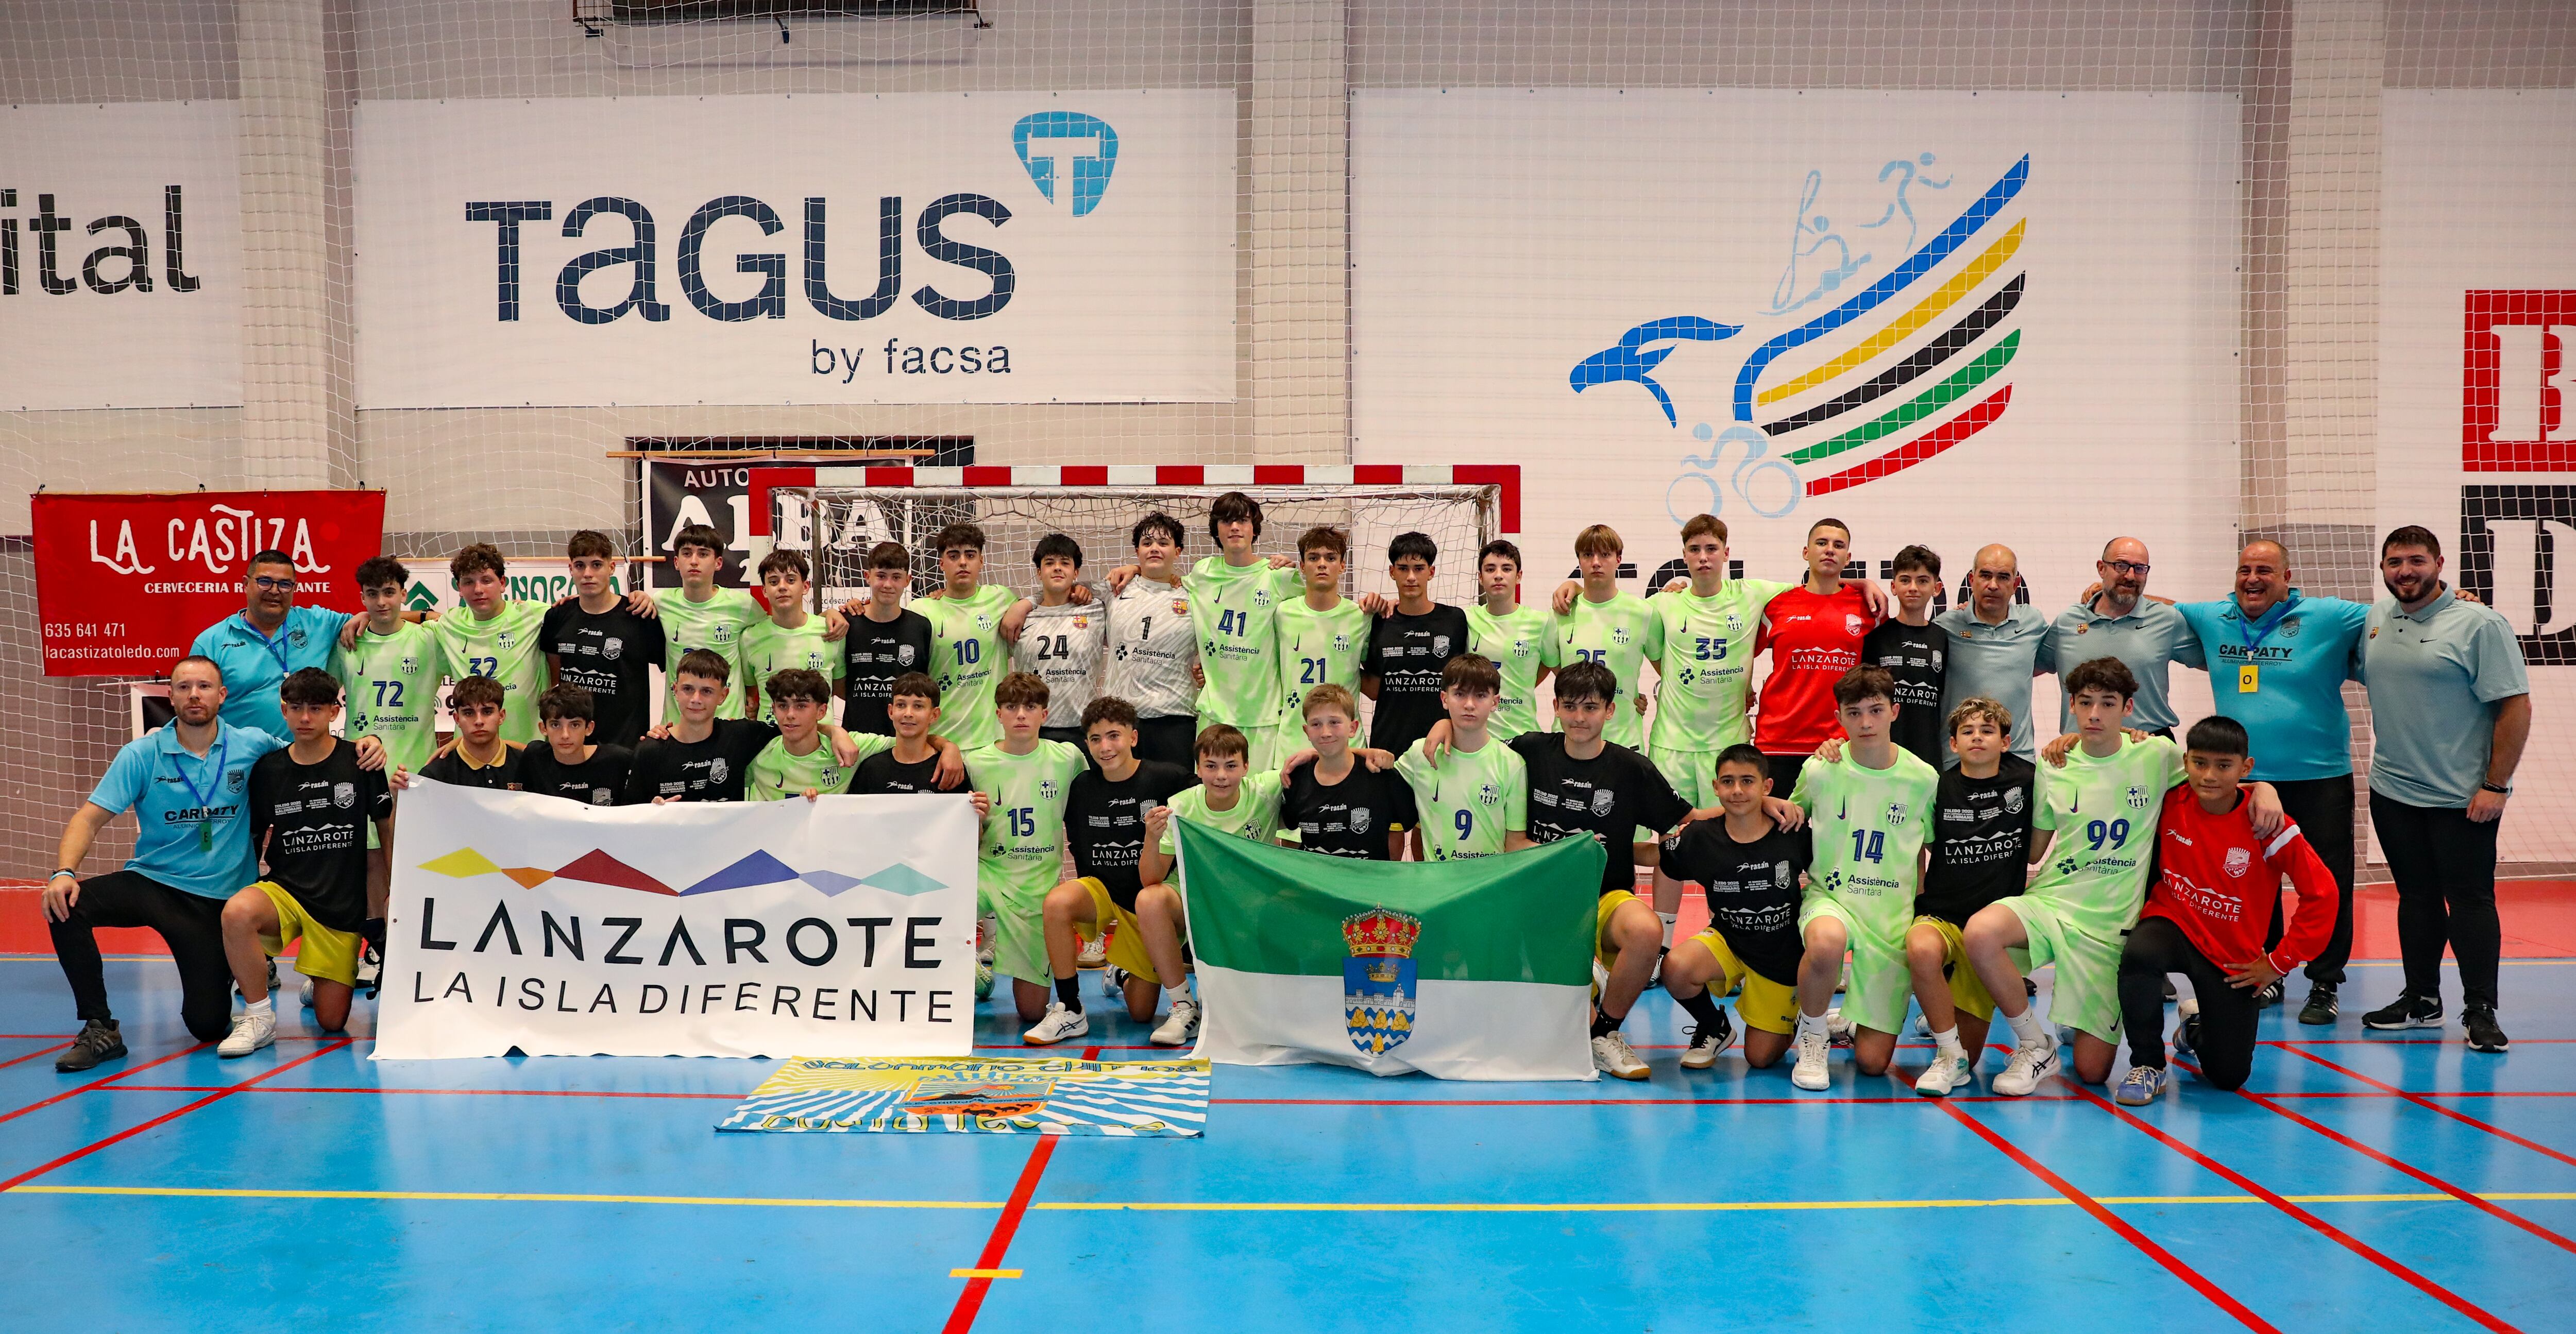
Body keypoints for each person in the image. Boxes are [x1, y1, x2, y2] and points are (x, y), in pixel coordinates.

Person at [1967, 658, 2281, 1095]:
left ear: (2128, 708)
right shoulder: (2055, 765)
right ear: (2071, 706)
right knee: (1981, 932)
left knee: (2094, 1072)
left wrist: (2264, 788)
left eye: (2108, 703)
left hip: (2108, 926)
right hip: (2054, 901)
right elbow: (2034, 851)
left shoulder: (2156, 755)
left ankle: (2127, 1024)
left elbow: (2215, 777)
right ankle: (2035, 1044)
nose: (2095, 714)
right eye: (2086, 703)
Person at [42, 658, 295, 1069]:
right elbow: (88, 818)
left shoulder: (253, 744)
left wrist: (367, 745)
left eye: (204, 686)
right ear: (171, 696)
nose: (194, 695)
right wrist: (64, 873)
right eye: (184, 687)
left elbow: (311, 758)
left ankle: (245, 960)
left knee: (208, 1025)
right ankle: (99, 1027)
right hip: (155, 883)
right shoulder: (142, 754)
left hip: (219, 903)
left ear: (222, 695)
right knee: (66, 905)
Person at [2172, 540, 2371, 1024]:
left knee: (2327, 880)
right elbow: (2165, 607)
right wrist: (2111, 587)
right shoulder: (2213, 615)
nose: (2253, 579)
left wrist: (2456, 598)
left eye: (2265, 570)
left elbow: (2399, 610)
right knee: (2254, 883)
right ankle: (2268, 973)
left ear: (2287, 577)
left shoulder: (2331, 616)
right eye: (2244, 570)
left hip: (2318, 776)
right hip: (2246, 780)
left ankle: (2325, 983)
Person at [2360, 525, 2530, 1053]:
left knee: (2470, 900)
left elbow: (2513, 707)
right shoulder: (2374, 618)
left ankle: (2479, 1009)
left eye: (2414, 560)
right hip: (2392, 791)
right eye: (2393, 562)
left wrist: (2494, 785)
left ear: (2437, 562)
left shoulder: (2478, 623)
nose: (2404, 571)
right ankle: (2420, 998)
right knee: (2415, 898)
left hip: (2462, 799)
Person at [2114, 715, 2337, 1104]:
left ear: (2245, 768)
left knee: (2228, 1077)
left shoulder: (2267, 824)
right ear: (2185, 763)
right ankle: (2149, 1064)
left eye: (2224, 766)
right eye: (2199, 763)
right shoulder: (2170, 801)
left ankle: (2197, 1028)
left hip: (2232, 958)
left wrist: (2279, 962)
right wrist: (2074, 740)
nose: (2209, 776)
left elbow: (2324, 894)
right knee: (2139, 953)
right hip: (2175, 923)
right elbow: (2115, 760)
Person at [1507, 662, 1696, 1079]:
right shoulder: (1530, 749)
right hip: (1543, 900)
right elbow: (1476, 745)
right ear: (1554, 706)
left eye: (1591, 707)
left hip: (1606, 897)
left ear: (1610, 711)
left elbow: (1689, 819)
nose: (1579, 717)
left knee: (1647, 932)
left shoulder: (1632, 769)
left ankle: (1605, 1034)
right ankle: (1586, 983)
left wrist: (1763, 807)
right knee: (1548, 1022)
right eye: (1570, 706)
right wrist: (1442, 729)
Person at [217, 668, 393, 1055]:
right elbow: (253, 838)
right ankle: (259, 1016)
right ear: (283, 710)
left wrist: (395, 888)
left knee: (332, 1022)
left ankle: (321, 977)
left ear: (335, 711)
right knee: (237, 913)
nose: (306, 718)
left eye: (316, 708)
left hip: (340, 906)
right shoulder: (268, 770)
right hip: (286, 891)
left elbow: (385, 824)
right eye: (296, 708)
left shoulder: (361, 762)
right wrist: (238, 886)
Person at [1782, 665, 1937, 1091]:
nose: (1865, 722)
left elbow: (1931, 850)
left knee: (1872, 1064)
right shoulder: (1819, 770)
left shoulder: (1923, 779)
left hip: (1890, 917)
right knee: (1826, 942)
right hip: (1831, 897)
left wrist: (1923, 911)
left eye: (1875, 710)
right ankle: (1812, 1039)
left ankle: (1849, 1015)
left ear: (1895, 712)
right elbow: (1790, 817)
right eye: (1854, 713)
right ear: (1839, 718)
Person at [1645, 515, 1793, 950]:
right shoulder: (1664, 605)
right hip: (1671, 743)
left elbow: (1818, 589)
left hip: (1726, 746)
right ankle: (1662, 947)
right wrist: (1574, 588)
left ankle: (1727, 941)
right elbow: (1615, 614)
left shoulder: (1753, 594)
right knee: (1671, 845)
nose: (1704, 557)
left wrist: (1862, 585)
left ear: (1727, 553)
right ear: (1684, 556)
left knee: (1729, 845)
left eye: (1712, 549)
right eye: (1695, 550)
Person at [1023, 697, 1195, 1046]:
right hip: (1101, 894)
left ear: (1133, 737)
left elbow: (1216, 791)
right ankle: (1070, 1009)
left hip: (1148, 904)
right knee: (1057, 902)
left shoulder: (1170, 779)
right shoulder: (1082, 788)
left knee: (1141, 1013)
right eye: (1096, 739)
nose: (1105, 747)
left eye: (1114, 736)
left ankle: (1122, 972)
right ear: (1087, 744)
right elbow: (1077, 845)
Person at [1903, 697, 2035, 1097]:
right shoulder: (1939, 787)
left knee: (1975, 1055)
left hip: (1990, 934)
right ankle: (1947, 1053)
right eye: (1968, 732)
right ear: (1954, 744)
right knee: (1920, 949)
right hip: (1943, 916)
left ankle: (1951, 1034)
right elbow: (1917, 851)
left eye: (1988, 731)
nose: (1978, 737)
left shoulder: (2029, 779)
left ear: (2006, 741)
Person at [1654, 747, 1813, 1074]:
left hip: (1780, 957)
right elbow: (1656, 858)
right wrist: (1595, 846)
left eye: (1747, 781)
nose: (1737, 790)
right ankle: (1714, 1026)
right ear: (1715, 787)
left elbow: (1828, 877)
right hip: (1728, 941)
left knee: (1760, 1058)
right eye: (1728, 782)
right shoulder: (1700, 836)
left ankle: (1798, 1013)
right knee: (1676, 967)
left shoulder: (1792, 832)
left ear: (1766, 787)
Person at [619, 651, 921, 804]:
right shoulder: (650, 749)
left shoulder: (744, 738)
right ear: (674, 690)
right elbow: (626, 823)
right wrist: (653, 813)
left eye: (707, 691)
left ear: (724, 696)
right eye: (688, 689)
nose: (696, 699)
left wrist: (836, 731)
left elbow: (912, 744)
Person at [967, 672, 1092, 1025]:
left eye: (1030, 706)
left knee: (1031, 1012)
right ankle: (967, 966)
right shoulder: (975, 763)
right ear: (998, 714)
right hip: (986, 873)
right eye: (1011, 706)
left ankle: (986, 976)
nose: (1021, 714)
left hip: (1037, 887)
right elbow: (962, 832)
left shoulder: (1067, 758)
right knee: (935, 916)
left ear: (1045, 715)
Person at [1756, 519, 1882, 799]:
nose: (1829, 550)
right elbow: (1737, 654)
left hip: (1840, 743)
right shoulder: (1778, 605)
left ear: (1848, 558)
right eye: (1822, 543)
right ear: (1806, 552)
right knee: (1778, 836)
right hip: (1779, 741)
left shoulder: (1868, 607)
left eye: (1838, 546)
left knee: (1838, 837)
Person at [1180, 492, 1304, 772]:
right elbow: (1168, 581)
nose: (1234, 527)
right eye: (1226, 521)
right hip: (1215, 713)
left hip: (1263, 714)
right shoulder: (1203, 573)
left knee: (1260, 800)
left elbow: (1321, 605)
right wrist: (1134, 568)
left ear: (1254, 528)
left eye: (1242, 520)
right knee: (1213, 798)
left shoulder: (1279, 576)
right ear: (1217, 530)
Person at [190, 549, 354, 739]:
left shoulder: (320, 623)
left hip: (307, 760)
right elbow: (195, 712)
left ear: (294, 588)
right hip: (243, 763)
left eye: (285, 584)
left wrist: (365, 616)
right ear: (246, 584)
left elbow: (385, 621)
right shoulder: (211, 643)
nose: (275, 591)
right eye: (265, 582)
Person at [2048, 537, 2203, 738]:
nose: (2130, 576)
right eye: (2121, 566)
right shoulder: (2067, 622)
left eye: (2139, 569)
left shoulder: (2167, 619)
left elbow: (2215, 663)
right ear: (2101, 569)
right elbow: (2028, 668)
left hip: (2148, 745)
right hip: (2081, 748)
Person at [1392, 655, 1532, 862]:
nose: (1469, 704)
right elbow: (1372, 781)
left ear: (1495, 702)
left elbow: (1515, 845)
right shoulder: (1421, 753)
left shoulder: (1512, 764)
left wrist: (1570, 849)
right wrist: (1365, 753)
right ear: (1444, 699)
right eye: (1460, 694)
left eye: (1480, 696)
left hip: (1487, 887)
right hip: (1439, 890)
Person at [1364, 531, 1472, 781]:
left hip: (1442, 744)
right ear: (1392, 572)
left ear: (1431, 572)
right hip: (1389, 747)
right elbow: (1373, 689)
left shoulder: (1455, 620)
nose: (1411, 577)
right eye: (1403, 568)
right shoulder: (1380, 622)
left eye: (1419, 568)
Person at [540, 530, 664, 748]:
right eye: (580, 565)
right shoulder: (557, 616)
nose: (588, 573)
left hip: (624, 747)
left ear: (612, 568)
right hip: (572, 746)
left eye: (596, 565)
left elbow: (673, 671)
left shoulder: (640, 616)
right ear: (571, 569)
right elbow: (555, 684)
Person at [1098, 512, 1202, 770]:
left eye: (1163, 543)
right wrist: (1026, 603)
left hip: (1175, 718)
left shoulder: (1196, 596)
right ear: (1137, 552)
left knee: (1174, 804)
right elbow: (1065, 592)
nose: (1155, 548)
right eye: (1147, 543)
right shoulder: (1115, 589)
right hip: (1120, 721)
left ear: (1177, 552)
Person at [1934, 544, 2055, 764]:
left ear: (2015, 584)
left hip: (2017, 759)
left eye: (2003, 577)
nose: (1993, 585)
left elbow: (2041, 665)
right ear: (1972, 580)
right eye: (1986, 575)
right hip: (1958, 761)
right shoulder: (1945, 627)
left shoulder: (2033, 622)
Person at [1550, 524, 1660, 751]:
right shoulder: (1561, 612)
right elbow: (1551, 670)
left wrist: (1629, 693)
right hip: (1569, 741)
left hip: (1624, 741)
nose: (1596, 562)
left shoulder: (1643, 613)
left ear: (1619, 559)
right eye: (1588, 555)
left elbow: (1670, 672)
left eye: (1605, 554)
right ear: (1579, 561)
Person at [333, 556, 443, 779]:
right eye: (373, 594)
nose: (381, 602)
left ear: (404, 595)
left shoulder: (431, 639)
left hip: (417, 770)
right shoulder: (347, 642)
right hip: (360, 769)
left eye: (389, 592)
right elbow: (322, 701)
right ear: (363, 598)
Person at [430, 544, 550, 745]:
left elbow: (580, 612)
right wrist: (364, 616)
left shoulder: (535, 615)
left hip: (529, 750)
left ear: (502, 583)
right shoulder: (449, 625)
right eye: (469, 582)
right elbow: (395, 624)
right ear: (459, 588)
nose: (478, 590)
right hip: (472, 753)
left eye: (487, 581)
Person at [1280, 684, 1413, 861]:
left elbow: (1415, 823)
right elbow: (1286, 823)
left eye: (1334, 722)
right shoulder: (1296, 779)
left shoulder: (1381, 777)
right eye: (1316, 724)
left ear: (1353, 728)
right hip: (1316, 884)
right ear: (1306, 731)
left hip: (1367, 884)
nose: (1325, 733)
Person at [918, 522, 1017, 751]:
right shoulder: (922, 610)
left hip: (992, 741)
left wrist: (1026, 604)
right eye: (954, 555)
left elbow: (1045, 601)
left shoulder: (1002, 598)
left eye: (970, 555)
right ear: (941, 563)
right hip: (940, 742)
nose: (963, 562)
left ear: (981, 561)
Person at [1008, 534, 1109, 751]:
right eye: (1049, 563)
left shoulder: (1095, 610)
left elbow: (1122, 584)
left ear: (1076, 572)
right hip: (1034, 728)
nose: (1057, 568)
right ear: (1038, 572)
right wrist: (1026, 602)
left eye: (1065, 563)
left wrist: (1135, 569)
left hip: (1083, 727)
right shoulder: (1019, 618)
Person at [656, 522, 766, 721]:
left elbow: (779, 629)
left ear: (719, 563)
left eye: (703, 554)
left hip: (728, 726)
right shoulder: (660, 603)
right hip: (677, 727)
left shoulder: (743, 605)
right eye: (687, 553)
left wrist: (827, 615)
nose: (694, 561)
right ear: (676, 562)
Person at [747, 669, 897, 800]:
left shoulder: (848, 746)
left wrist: (836, 731)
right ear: (774, 709)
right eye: (783, 706)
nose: (790, 714)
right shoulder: (759, 756)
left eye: (801, 706)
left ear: (822, 711)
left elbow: (911, 743)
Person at [1276, 526, 1372, 729]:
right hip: (1293, 738)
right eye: (1313, 558)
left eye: (1330, 558)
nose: (1322, 564)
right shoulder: (1283, 613)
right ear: (1302, 566)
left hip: (1345, 742)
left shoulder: (1361, 617)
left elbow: (1375, 680)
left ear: (1342, 566)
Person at [1862, 545, 1950, 769]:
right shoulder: (1876, 638)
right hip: (1882, 755)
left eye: (1922, 581)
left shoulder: (1945, 638)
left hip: (1928, 755)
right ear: (1893, 587)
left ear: (1936, 588)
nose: (1913, 588)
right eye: (1905, 580)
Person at [1462, 539, 1556, 742]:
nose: (1498, 576)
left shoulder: (1540, 622)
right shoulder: (1465, 620)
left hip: (1523, 737)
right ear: (1480, 577)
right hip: (1476, 740)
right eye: (1490, 569)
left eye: (1507, 569)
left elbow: (1558, 670)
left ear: (1519, 576)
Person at [840, 541, 936, 736]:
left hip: (905, 740)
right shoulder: (848, 624)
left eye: (896, 577)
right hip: (856, 739)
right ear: (868, 576)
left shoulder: (921, 627)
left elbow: (925, 685)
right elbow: (839, 685)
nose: (888, 585)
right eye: (881, 576)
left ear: (908, 580)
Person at [738, 550, 842, 725]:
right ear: (764, 590)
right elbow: (750, 692)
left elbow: (840, 689)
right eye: (773, 582)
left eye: (791, 580)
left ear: (806, 587)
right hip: (770, 742)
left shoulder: (831, 630)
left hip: (821, 742)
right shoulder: (749, 638)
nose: (782, 587)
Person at [514, 683, 633, 807]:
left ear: (589, 728)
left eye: (575, 725)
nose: (565, 735)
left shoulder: (619, 760)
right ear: (543, 728)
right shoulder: (534, 757)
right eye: (556, 725)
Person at [850, 673, 947, 794]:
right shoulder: (872, 769)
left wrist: (977, 810)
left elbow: (964, 810)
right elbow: (853, 811)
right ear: (891, 711)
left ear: (934, 715)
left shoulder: (947, 769)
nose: (908, 713)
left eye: (918, 706)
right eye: (901, 705)